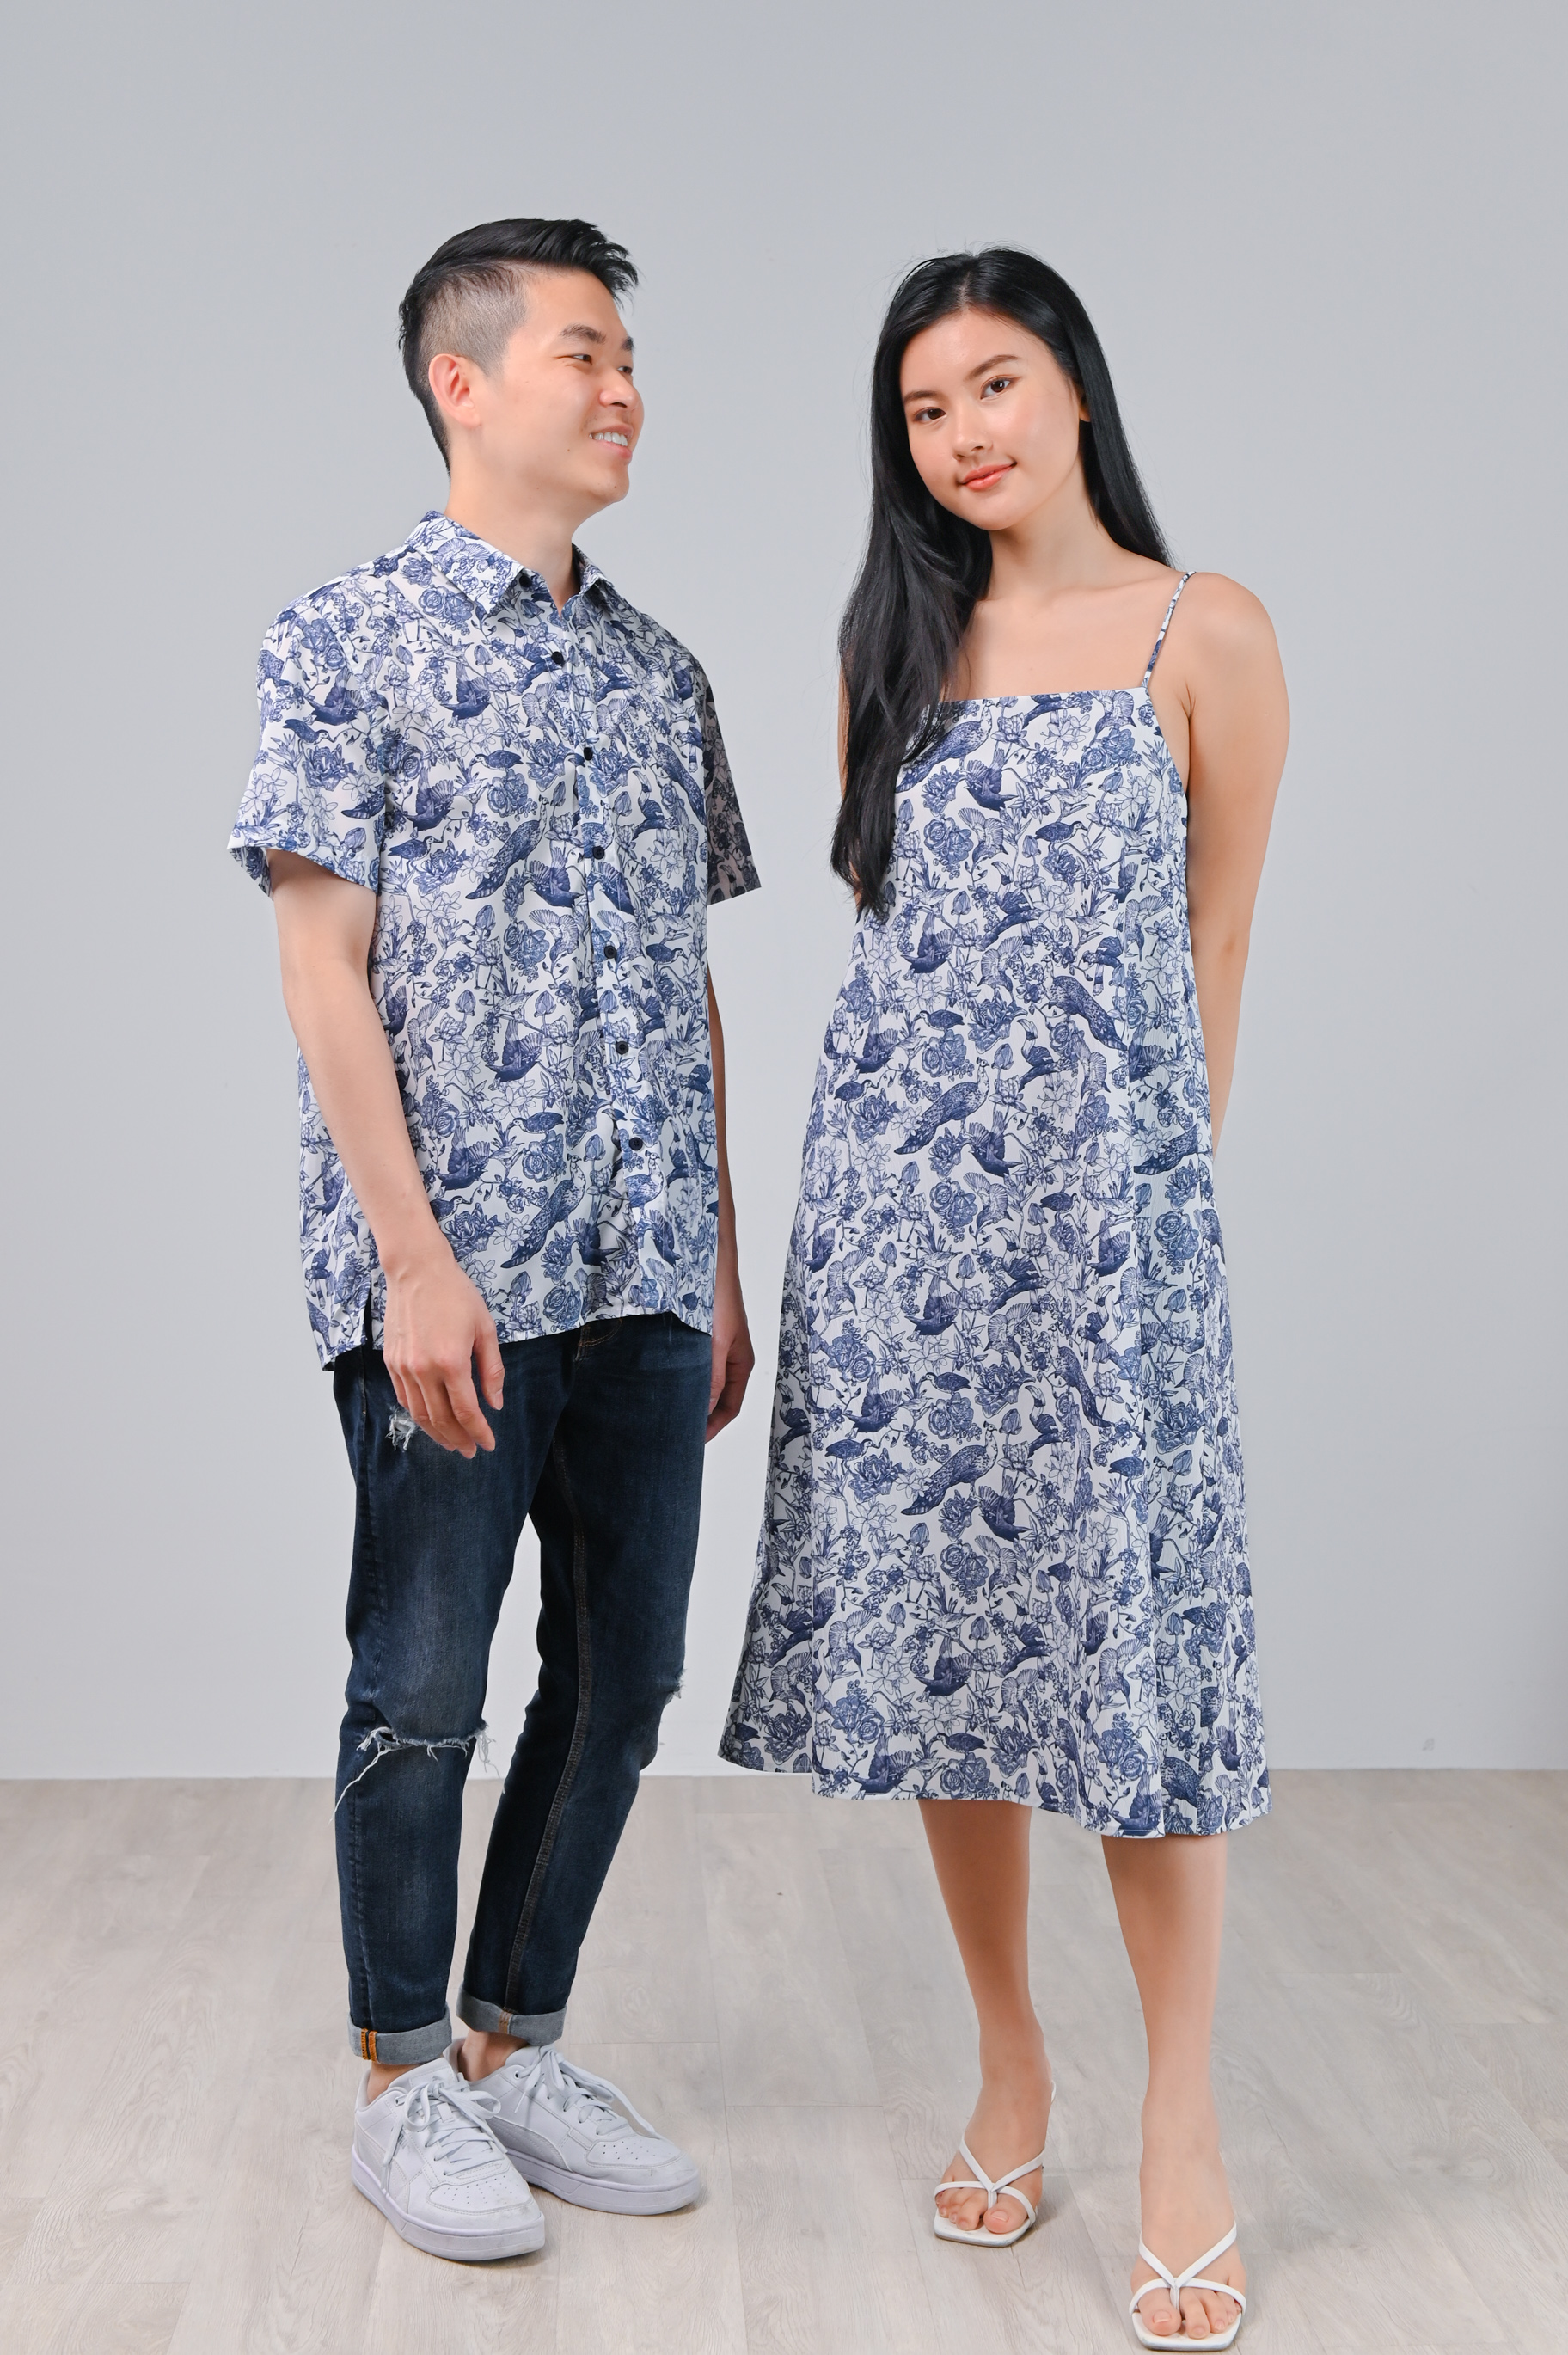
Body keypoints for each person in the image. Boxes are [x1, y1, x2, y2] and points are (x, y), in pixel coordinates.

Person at [723, 248, 1286, 2348]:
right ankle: (1011, 2060)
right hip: (901, 1224)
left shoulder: (1203, 630)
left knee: (1140, 1671)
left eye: (995, 385)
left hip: (1113, 1233)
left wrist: (1158, 1209)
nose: (963, 433)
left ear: (1074, 390)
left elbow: (1214, 945)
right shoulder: (889, 646)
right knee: (958, 1651)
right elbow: (897, 957)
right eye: (924, 408)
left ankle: (1184, 2123)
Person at [231, 218, 759, 2264]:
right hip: (452, 1269)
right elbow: (323, 968)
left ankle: (511, 2041)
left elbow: (687, 986)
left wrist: (718, 1259)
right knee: (424, 1680)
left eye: (631, 359)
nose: (624, 389)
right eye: (583, 352)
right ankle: (397, 2077)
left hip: (644, 1266)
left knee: (623, 1677)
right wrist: (414, 1260)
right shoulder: (341, 639)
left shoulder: (662, 674)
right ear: (462, 382)